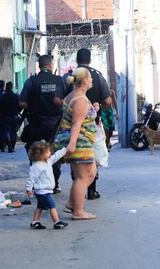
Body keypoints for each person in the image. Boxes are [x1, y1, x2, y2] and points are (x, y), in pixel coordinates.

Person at [64, 48, 112, 200]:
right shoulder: (97, 76)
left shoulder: (69, 77)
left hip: (71, 126)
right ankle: (89, 191)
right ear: (90, 60)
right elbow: (108, 101)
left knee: (79, 164)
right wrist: (98, 108)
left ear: (77, 60)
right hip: (89, 127)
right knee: (91, 161)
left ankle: (76, 195)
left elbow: (60, 99)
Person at [55, 67, 98, 220]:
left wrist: (94, 110)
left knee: (91, 172)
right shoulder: (80, 99)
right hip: (80, 142)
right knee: (82, 177)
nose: (92, 80)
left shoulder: (74, 96)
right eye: (90, 77)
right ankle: (78, 211)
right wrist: (72, 144)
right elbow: (76, 123)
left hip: (83, 142)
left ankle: (72, 203)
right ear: (85, 81)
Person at [19, 55, 65, 193]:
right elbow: (68, 100)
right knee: (53, 153)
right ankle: (55, 184)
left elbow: (21, 102)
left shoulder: (31, 81)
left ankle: (36, 183)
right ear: (51, 65)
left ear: (39, 66)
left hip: (36, 123)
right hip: (55, 124)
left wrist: (31, 106)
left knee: (36, 151)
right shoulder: (60, 81)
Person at [25, 141, 68, 229]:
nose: (50, 153)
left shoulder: (47, 161)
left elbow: (56, 156)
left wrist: (65, 150)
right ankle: (57, 222)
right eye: (48, 152)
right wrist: (28, 189)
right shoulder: (36, 166)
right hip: (42, 191)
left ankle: (35, 222)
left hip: (46, 190)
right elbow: (31, 179)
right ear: (40, 154)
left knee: (40, 207)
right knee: (52, 206)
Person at [0, 81, 20, 152]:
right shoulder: (16, 96)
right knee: (13, 132)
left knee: (5, 130)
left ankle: (7, 143)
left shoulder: (2, 97)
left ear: (6, 87)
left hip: (5, 116)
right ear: (12, 88)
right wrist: (17, 111)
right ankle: (11, 146)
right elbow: (20, 105)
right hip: (14, 116)